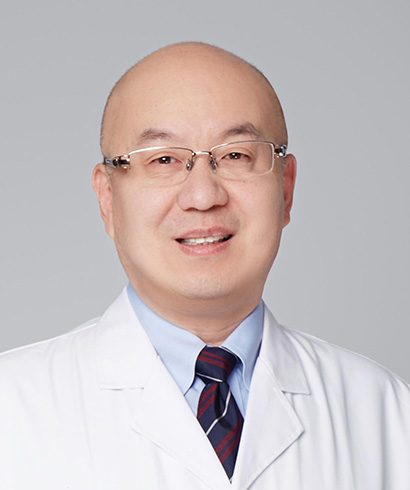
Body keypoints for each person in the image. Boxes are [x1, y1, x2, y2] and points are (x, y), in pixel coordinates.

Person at [0, 42, 409, 490]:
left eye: (236, 155)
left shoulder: (384, 411)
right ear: (108, 199)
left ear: (286, 190)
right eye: (163, 160)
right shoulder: (13, 408)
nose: (202, 196)